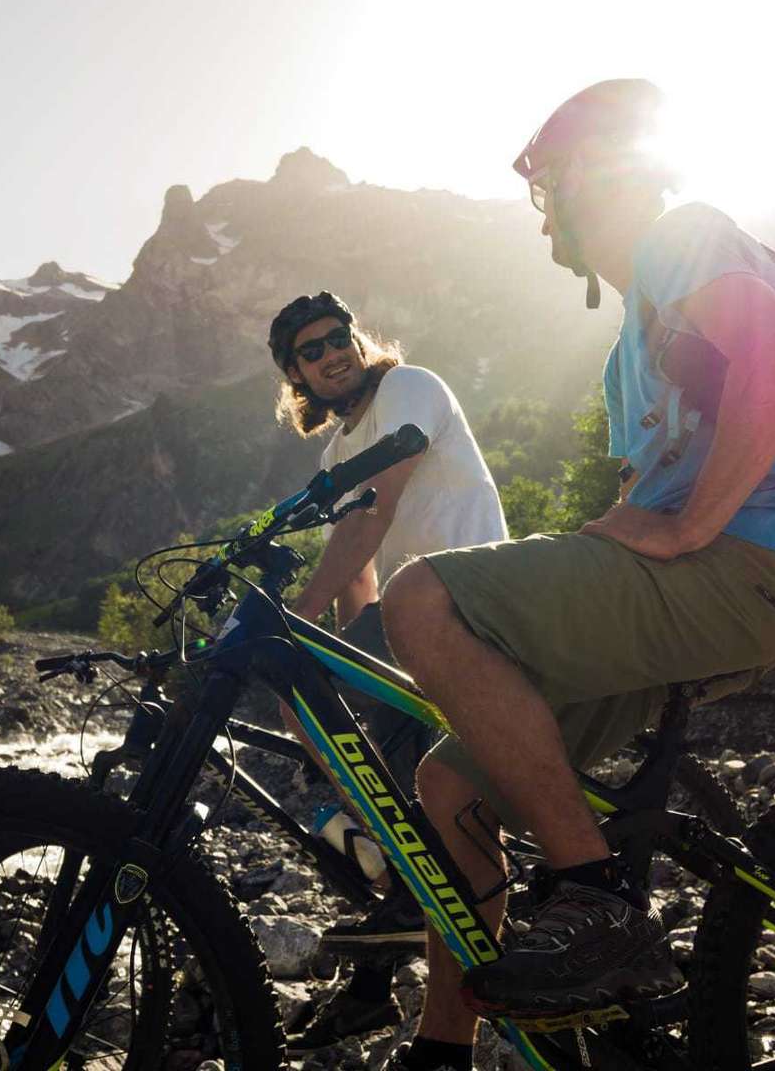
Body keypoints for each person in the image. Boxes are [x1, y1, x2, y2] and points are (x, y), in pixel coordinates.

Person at [378, 79, 775, 1071]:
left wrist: (691, 525)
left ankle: (598, 898)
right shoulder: (631, 340)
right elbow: (648, 485)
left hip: (741, 568)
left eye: (560, 178)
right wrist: (623, 533)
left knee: (424, 597)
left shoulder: (684, 236)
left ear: (621, 171)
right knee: (453, 781)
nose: (552, 207)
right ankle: (444, 1049)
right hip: (688, 582)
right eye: (543, 190)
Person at [265, 291, 508, 1051]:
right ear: (294, 374)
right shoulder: (337, 451)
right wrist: (331, 663)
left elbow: (375, 518)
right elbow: (359, 572)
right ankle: (401, 900)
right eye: (313, 349)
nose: (334, 353)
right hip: (410, 613)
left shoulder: (410, 387)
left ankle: (409, 888)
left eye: (340, 337)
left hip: (472, 594)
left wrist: (293, 625)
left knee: (328, 710)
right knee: (328, 723)